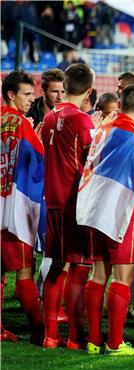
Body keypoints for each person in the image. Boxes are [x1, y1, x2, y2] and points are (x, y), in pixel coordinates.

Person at [80, 85, 134, 356]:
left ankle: (94, 340)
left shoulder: (104, 127)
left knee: (97, 275)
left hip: (93, 208)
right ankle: (116, 343)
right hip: (121, 212)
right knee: (122, 276)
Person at [40, 63, 96, 350]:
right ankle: (76, 337)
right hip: (75, 203)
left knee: (56, 266)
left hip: (52, 202)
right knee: (79, 268)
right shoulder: (83, 120)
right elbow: (92, 161)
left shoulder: (50, 117)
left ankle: (50, 335)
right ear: (88, 91)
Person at [0, 70, 44, 345]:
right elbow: (40, 162)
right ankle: (40, 330)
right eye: (26, 94)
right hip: (16, 205)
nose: (31, 99)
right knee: (25, 271)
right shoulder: (21, 124)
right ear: (11, 95)